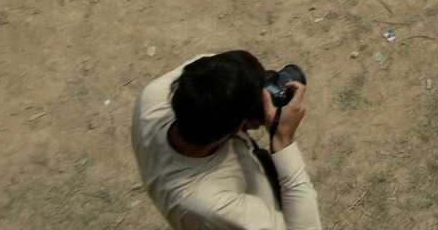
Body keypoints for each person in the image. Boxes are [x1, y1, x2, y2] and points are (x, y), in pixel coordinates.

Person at [131, 50, 320, 230]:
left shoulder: (151, 100)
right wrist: (283, 141)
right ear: (237, 127)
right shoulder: (213, 206)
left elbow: (206, 63)